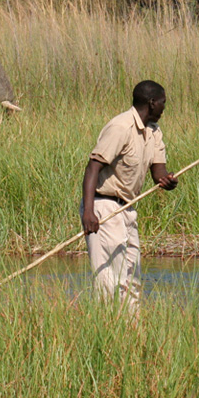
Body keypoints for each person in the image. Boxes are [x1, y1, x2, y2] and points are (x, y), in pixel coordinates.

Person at [80, 80, 177, 311]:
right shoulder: (120, 127)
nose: (165, 107)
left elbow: (158, 171)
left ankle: (131, 333)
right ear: (152, 103)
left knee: (132, 275)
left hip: (127, 209)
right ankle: (107, 330)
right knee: (110, 279)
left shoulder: (153, 130)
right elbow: (92, 167)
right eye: (163, 103)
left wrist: (167, 181)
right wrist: (89, 213)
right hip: (103, 207)